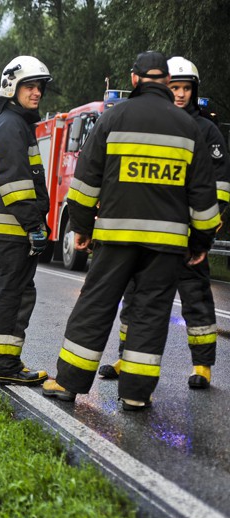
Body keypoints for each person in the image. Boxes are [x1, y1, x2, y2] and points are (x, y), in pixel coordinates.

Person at [42, 51, 220, 410]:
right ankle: (137, 395)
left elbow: (84, 182)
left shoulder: (115, 117)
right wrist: (200, 242)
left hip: (115, 236)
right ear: (168, 83)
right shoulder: (188, 127)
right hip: (167, 245)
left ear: (135, 80)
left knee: (96, 305)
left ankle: (68, 383)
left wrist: (81, 227)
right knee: (151, 314)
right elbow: (204, 196)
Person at [98, 56, 230, 390]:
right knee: (135, 296)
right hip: (156, 234)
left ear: (194, 90)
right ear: (165, 86)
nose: (181, 94)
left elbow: (220, 188)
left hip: (188, 237)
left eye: (186, 88)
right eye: (176, 87)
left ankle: (202, 366)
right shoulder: (155, 121)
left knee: (196, 298)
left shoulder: (206, 131)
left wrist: (204, 232)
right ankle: (126, 356)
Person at [0, 55, 52, 385]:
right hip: (16, 227)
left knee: (0, 291)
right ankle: (4, 365)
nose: (36, 93)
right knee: (15, 294)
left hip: (8, 227)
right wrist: (34, 225)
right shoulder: (11, 126)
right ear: (12, 87)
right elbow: (14, 183)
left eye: (39, 88)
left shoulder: (11, 123)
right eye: (29, 87)